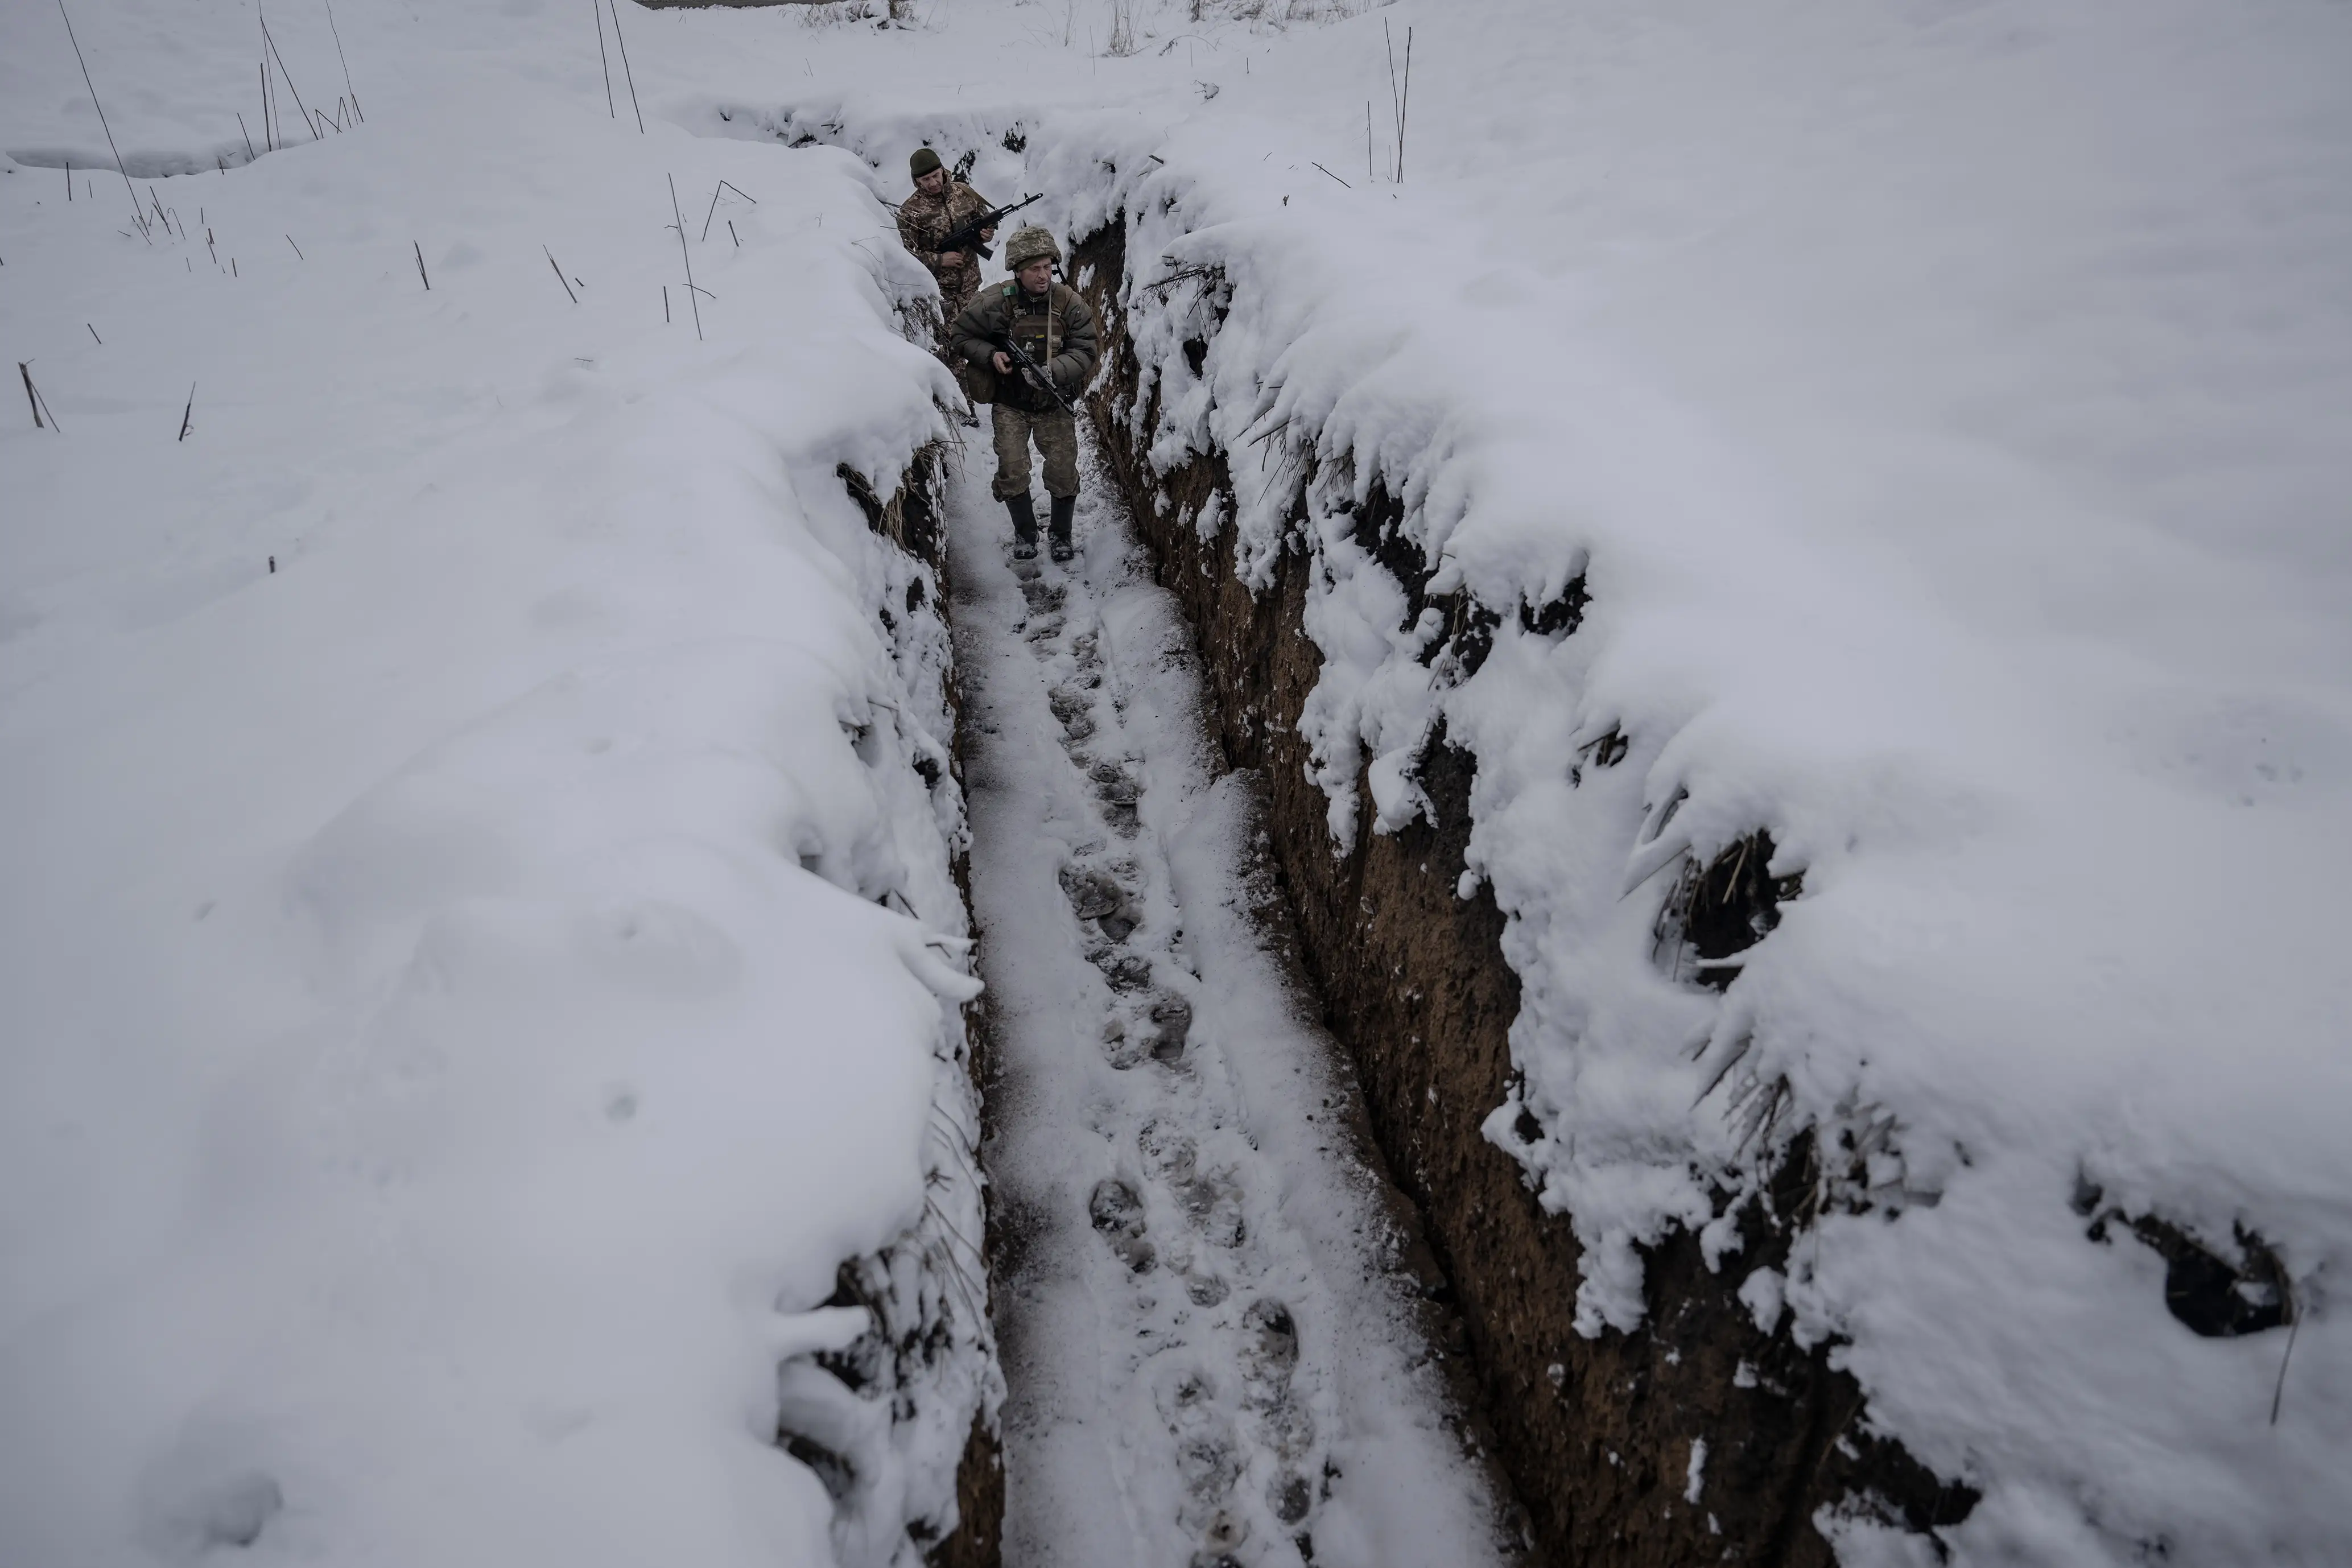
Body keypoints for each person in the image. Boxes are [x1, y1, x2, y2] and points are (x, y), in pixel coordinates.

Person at [952, 226, 1099, 563]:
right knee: (1013, 470)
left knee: (1063, 471)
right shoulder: (994, 301)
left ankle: (1061, 535)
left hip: (1054, 402)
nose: (1043, 275)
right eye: (1035, 269)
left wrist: (1054, 372)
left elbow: (1087, 347)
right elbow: (960, 334)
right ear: (1018, 270)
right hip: (1011, 405)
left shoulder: (1068, 303)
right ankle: (1025, 533)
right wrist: (991, 356)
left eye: (1048, 267)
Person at [894, 147, 996, 324]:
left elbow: (985, 220)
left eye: (935, 175)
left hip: (971, 286)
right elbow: (904, 257)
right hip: (940, 293)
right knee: (951, 345)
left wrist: (986, 234)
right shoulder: (911, 212)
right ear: (916, 181)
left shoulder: (964, 193)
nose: (932, 183)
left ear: (942, 170)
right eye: (925, 179)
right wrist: (940, 260)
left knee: (977, 338)